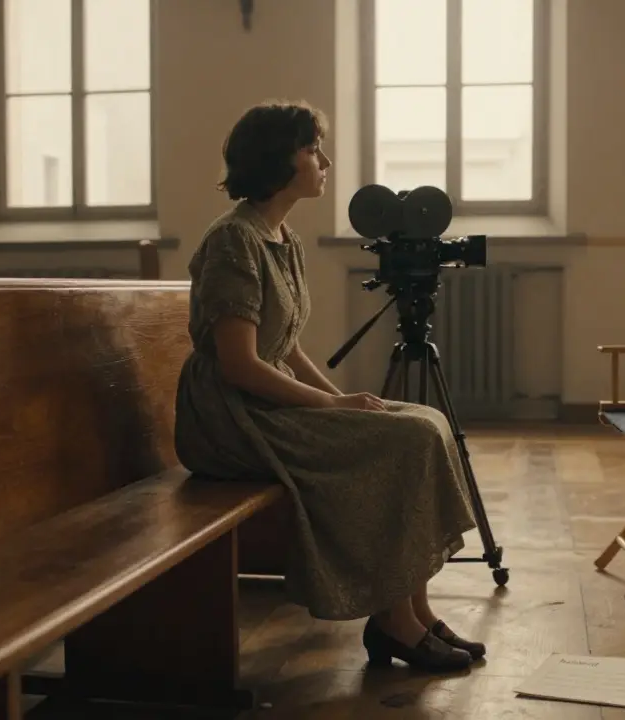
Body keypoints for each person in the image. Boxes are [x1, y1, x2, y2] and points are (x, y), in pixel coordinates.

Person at [174, 100, 486, 672]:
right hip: (230, 417)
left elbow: (287, 345)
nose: (326, 160)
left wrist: (341, 401)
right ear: (277, 159)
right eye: (312, 148)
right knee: (404, 440)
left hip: (263, 398)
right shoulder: (233, 242)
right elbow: (240, 365)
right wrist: (332, 405)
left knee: (425, 421)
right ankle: (394, 623)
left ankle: (413, 609)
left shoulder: (280, 236)